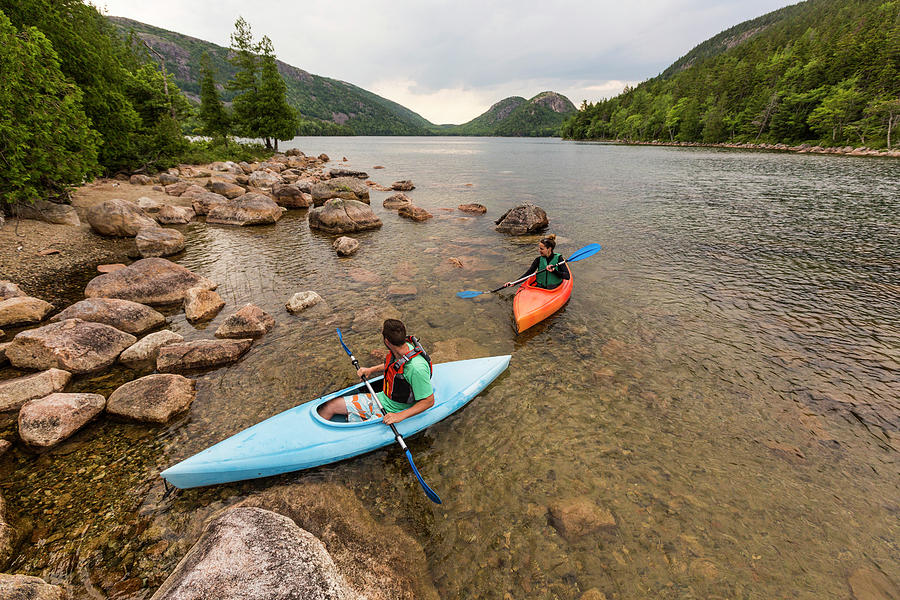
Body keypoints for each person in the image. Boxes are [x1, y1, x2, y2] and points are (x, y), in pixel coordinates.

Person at [317, 319, 435, 424]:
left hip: (395, 412)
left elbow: (429, 401)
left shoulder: (416, 368)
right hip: (380, 399)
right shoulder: (400, 350)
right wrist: (370, 370)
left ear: (387, 341)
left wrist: (399, 416)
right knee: (330, 406)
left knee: (351, 427)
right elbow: (393, 366)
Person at [505, 234, 570, 290]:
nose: (539, 250)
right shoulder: (538, 260)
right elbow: (528, 273)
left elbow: (567, 276)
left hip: (553, 288)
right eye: (539, 248)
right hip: (540, 287)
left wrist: (554, 271)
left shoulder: (559, 259)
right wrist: (514, 283)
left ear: (549, 249)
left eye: (541, 249)